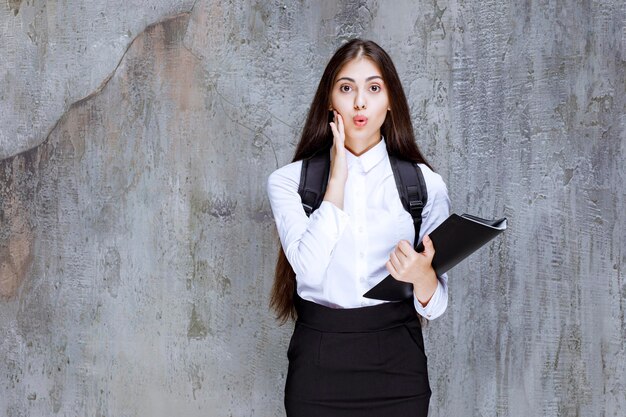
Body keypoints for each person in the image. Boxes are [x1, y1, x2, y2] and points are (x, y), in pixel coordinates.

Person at [266, 38, 450, 417]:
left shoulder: (425, 185)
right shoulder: (287, 182)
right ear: (330, 102)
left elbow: (436, 306)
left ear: (390, 101)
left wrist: (422, 276)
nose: (360, 102)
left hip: (397, 363)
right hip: (318, 363)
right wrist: (337, 177)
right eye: (347, 88)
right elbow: (310, 268)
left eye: (374, 88)